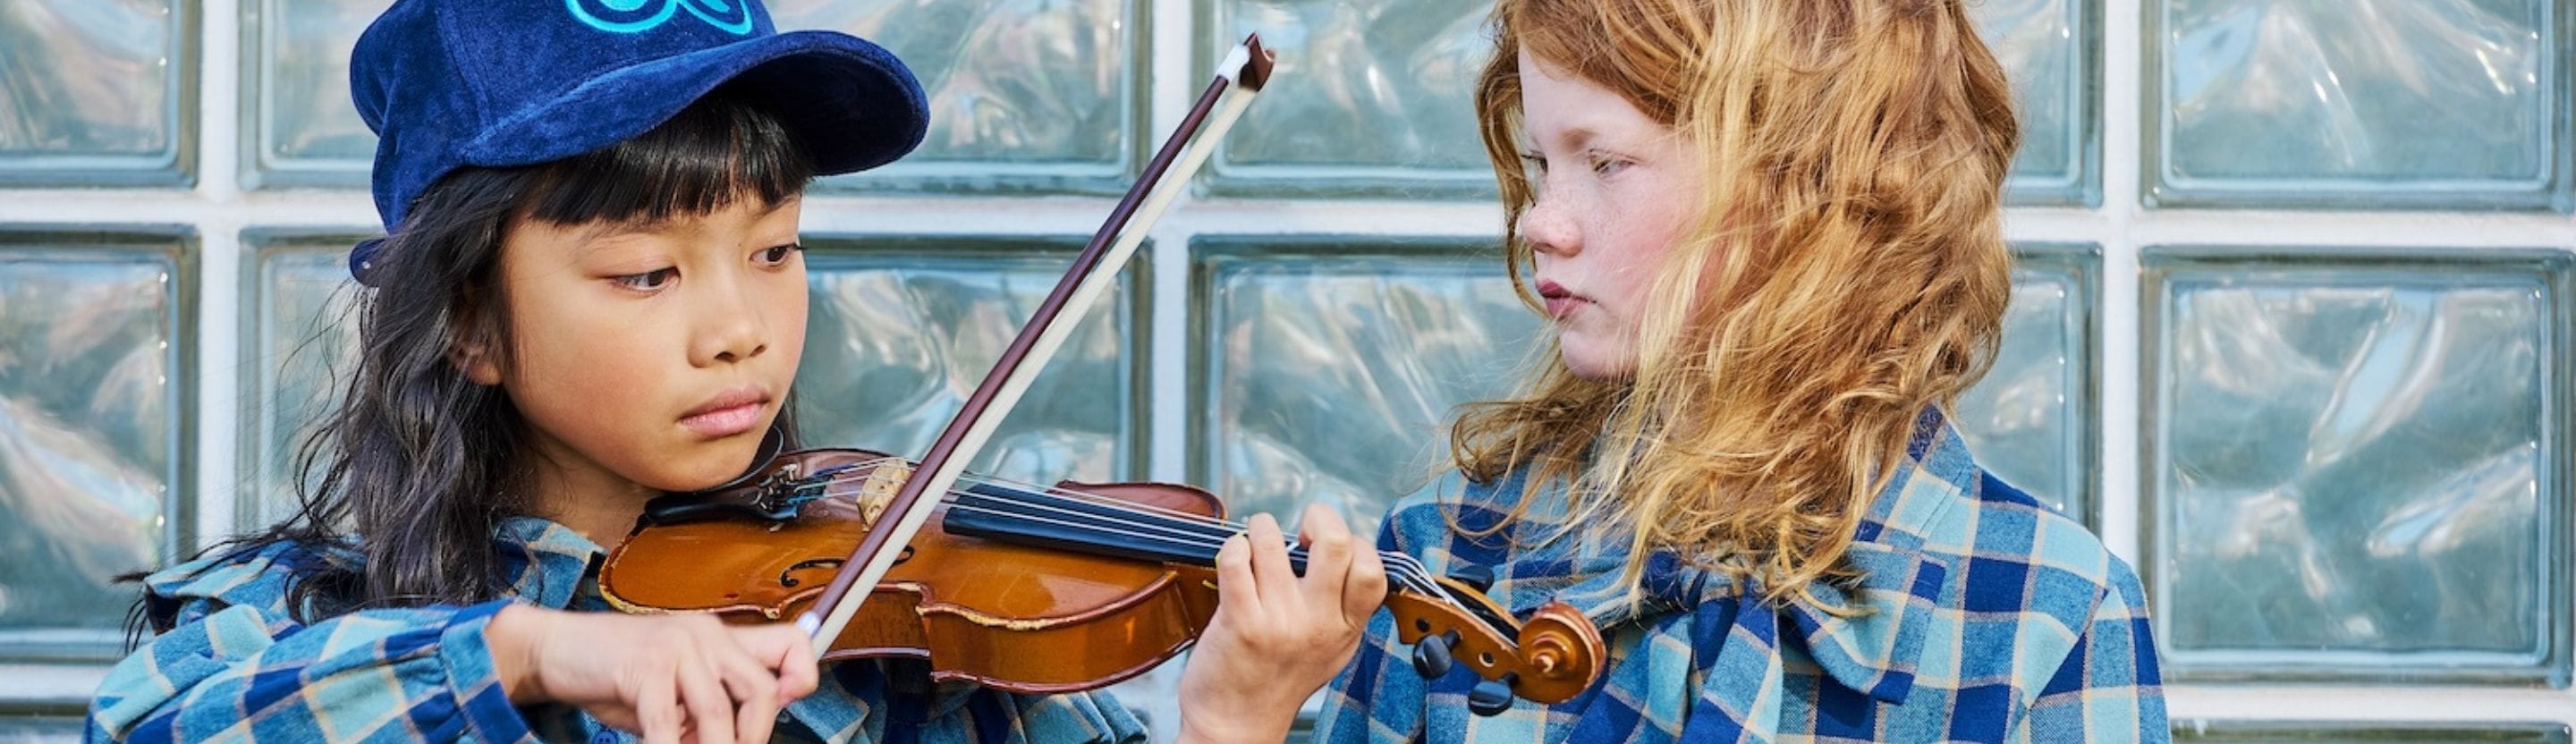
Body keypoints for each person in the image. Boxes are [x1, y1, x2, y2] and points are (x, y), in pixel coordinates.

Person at [86, 1, 1381, 742]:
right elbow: (142, 722)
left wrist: (1229, 722)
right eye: (647, 274)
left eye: (775, 250)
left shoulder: (903, 674)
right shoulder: (299, 620)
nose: (739, 330)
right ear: (470, 321)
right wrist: (536, 655)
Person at [1313, 0, 2165, 740]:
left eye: (1604, 162)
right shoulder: (1447, 552)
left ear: (1803, 187)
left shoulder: (2046, 614)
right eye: (1540, 165)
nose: (1542, 223)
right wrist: (1230, 716)